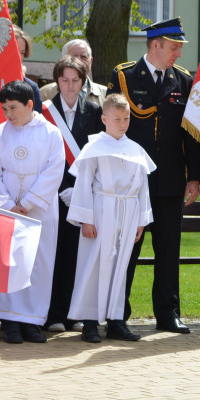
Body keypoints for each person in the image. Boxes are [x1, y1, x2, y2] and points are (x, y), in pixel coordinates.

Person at [107, 17, 200, 334]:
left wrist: (195, 176)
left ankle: (168, 313)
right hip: (132, 183)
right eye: (174, 47)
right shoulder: (124, 77)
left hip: (171, 180)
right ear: (155, 44)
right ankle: (117, 314)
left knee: (168, 249)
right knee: (126, 250)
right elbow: (108, 129)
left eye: (179, 47)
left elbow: (191, 133)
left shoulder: (183, 81)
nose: (178, 53)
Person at [0, 80, 65, 344]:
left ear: (29, 105)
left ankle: (32, 322)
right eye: (4, 109)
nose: (8, 114)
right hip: (7, 205)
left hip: (39, 208)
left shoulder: (50, 133)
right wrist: (8, 204)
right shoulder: (1, 133)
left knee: (36, 263)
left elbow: (54, 170)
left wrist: (27, 202)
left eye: (13, 108)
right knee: (9, 262)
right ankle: (10, 322)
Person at [66, 94, 155, 343]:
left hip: (127, 211)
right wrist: (86, 219)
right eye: (117, 119)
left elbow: (143, 187)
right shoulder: (93, 148)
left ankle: (116, 321)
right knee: (93, 265)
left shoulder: (136, 150)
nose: (123, 123)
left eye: (126, 118)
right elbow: (83, 184)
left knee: (120, 267)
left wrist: (141, 220)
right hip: (101, 208)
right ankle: (90, 323)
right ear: (104, 118)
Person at [42, 55, 103, 334]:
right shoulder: (45, 112)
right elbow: (41, 159)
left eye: (75, 80)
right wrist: (58, 188)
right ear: (57, 81)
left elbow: (95, 157)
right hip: (51, 195)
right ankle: (52, 314)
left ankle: (73, 313)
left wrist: (79, 189)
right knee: (54, 255)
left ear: (83, 81)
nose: (69, 86)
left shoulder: (94, 111)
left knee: (78, 256)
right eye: (64, 80)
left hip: (82, 194)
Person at [39, 39, 108, 105]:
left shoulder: (106, 94)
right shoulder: (45, 93)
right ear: (63, 60)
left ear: (91, 61)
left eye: (83, 57)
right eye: (73, 57)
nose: (79, 61)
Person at [12, 26, 44, 113]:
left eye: (22, 53)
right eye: (15, 50)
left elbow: (37, 123)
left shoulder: (31, 88)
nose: (19, 57)